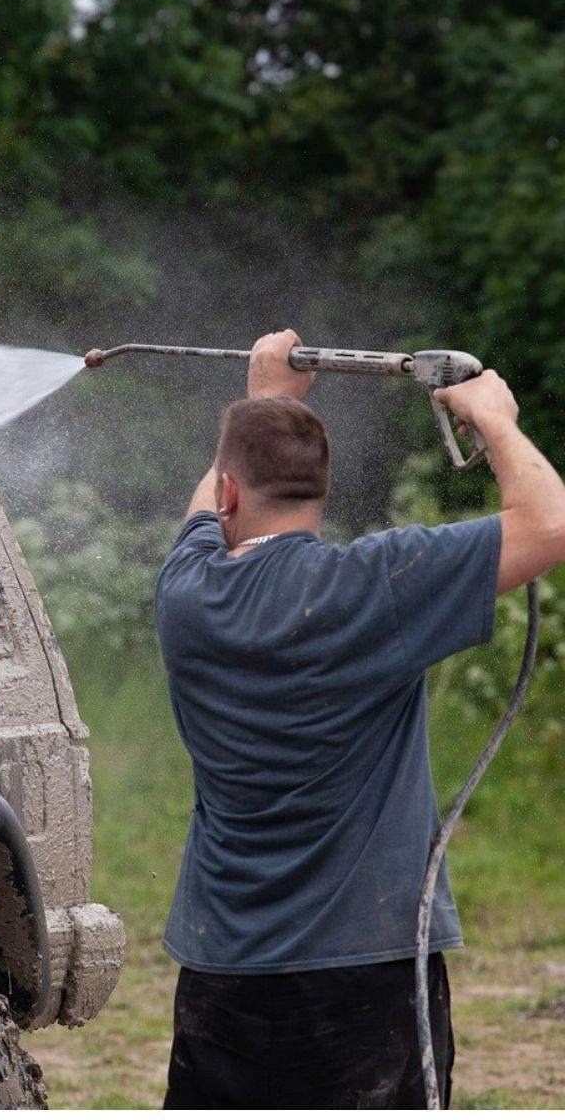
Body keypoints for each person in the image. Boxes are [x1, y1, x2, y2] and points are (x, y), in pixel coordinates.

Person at [156, 329, 565, 1109]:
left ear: (234, 495)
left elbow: (205, 510)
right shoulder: (379, 587)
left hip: (223, 975)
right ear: (324, 488)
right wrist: (497, 421)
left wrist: (266, 401)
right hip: (366, 981)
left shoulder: (186, 595)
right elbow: (548, 524)